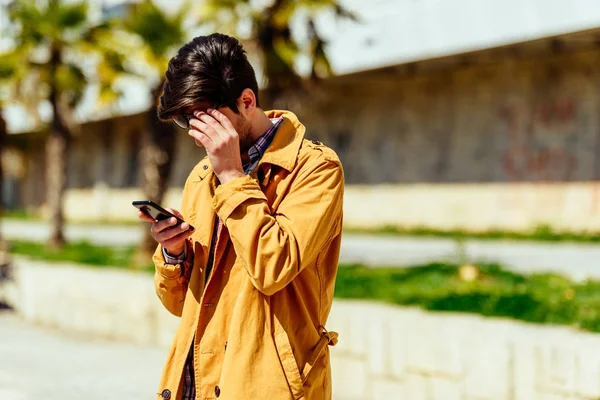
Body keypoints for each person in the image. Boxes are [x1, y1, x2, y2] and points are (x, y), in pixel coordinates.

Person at [137, 33, 344, 400]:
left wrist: (232, 176)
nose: (199, 138)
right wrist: (175, 254)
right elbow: (177, 305)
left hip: (267, 387)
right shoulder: (202, 176)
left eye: (206, 121)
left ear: (246, 101)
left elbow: (273, 267)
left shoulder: (315, 168)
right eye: (188, 124)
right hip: (194, 383)